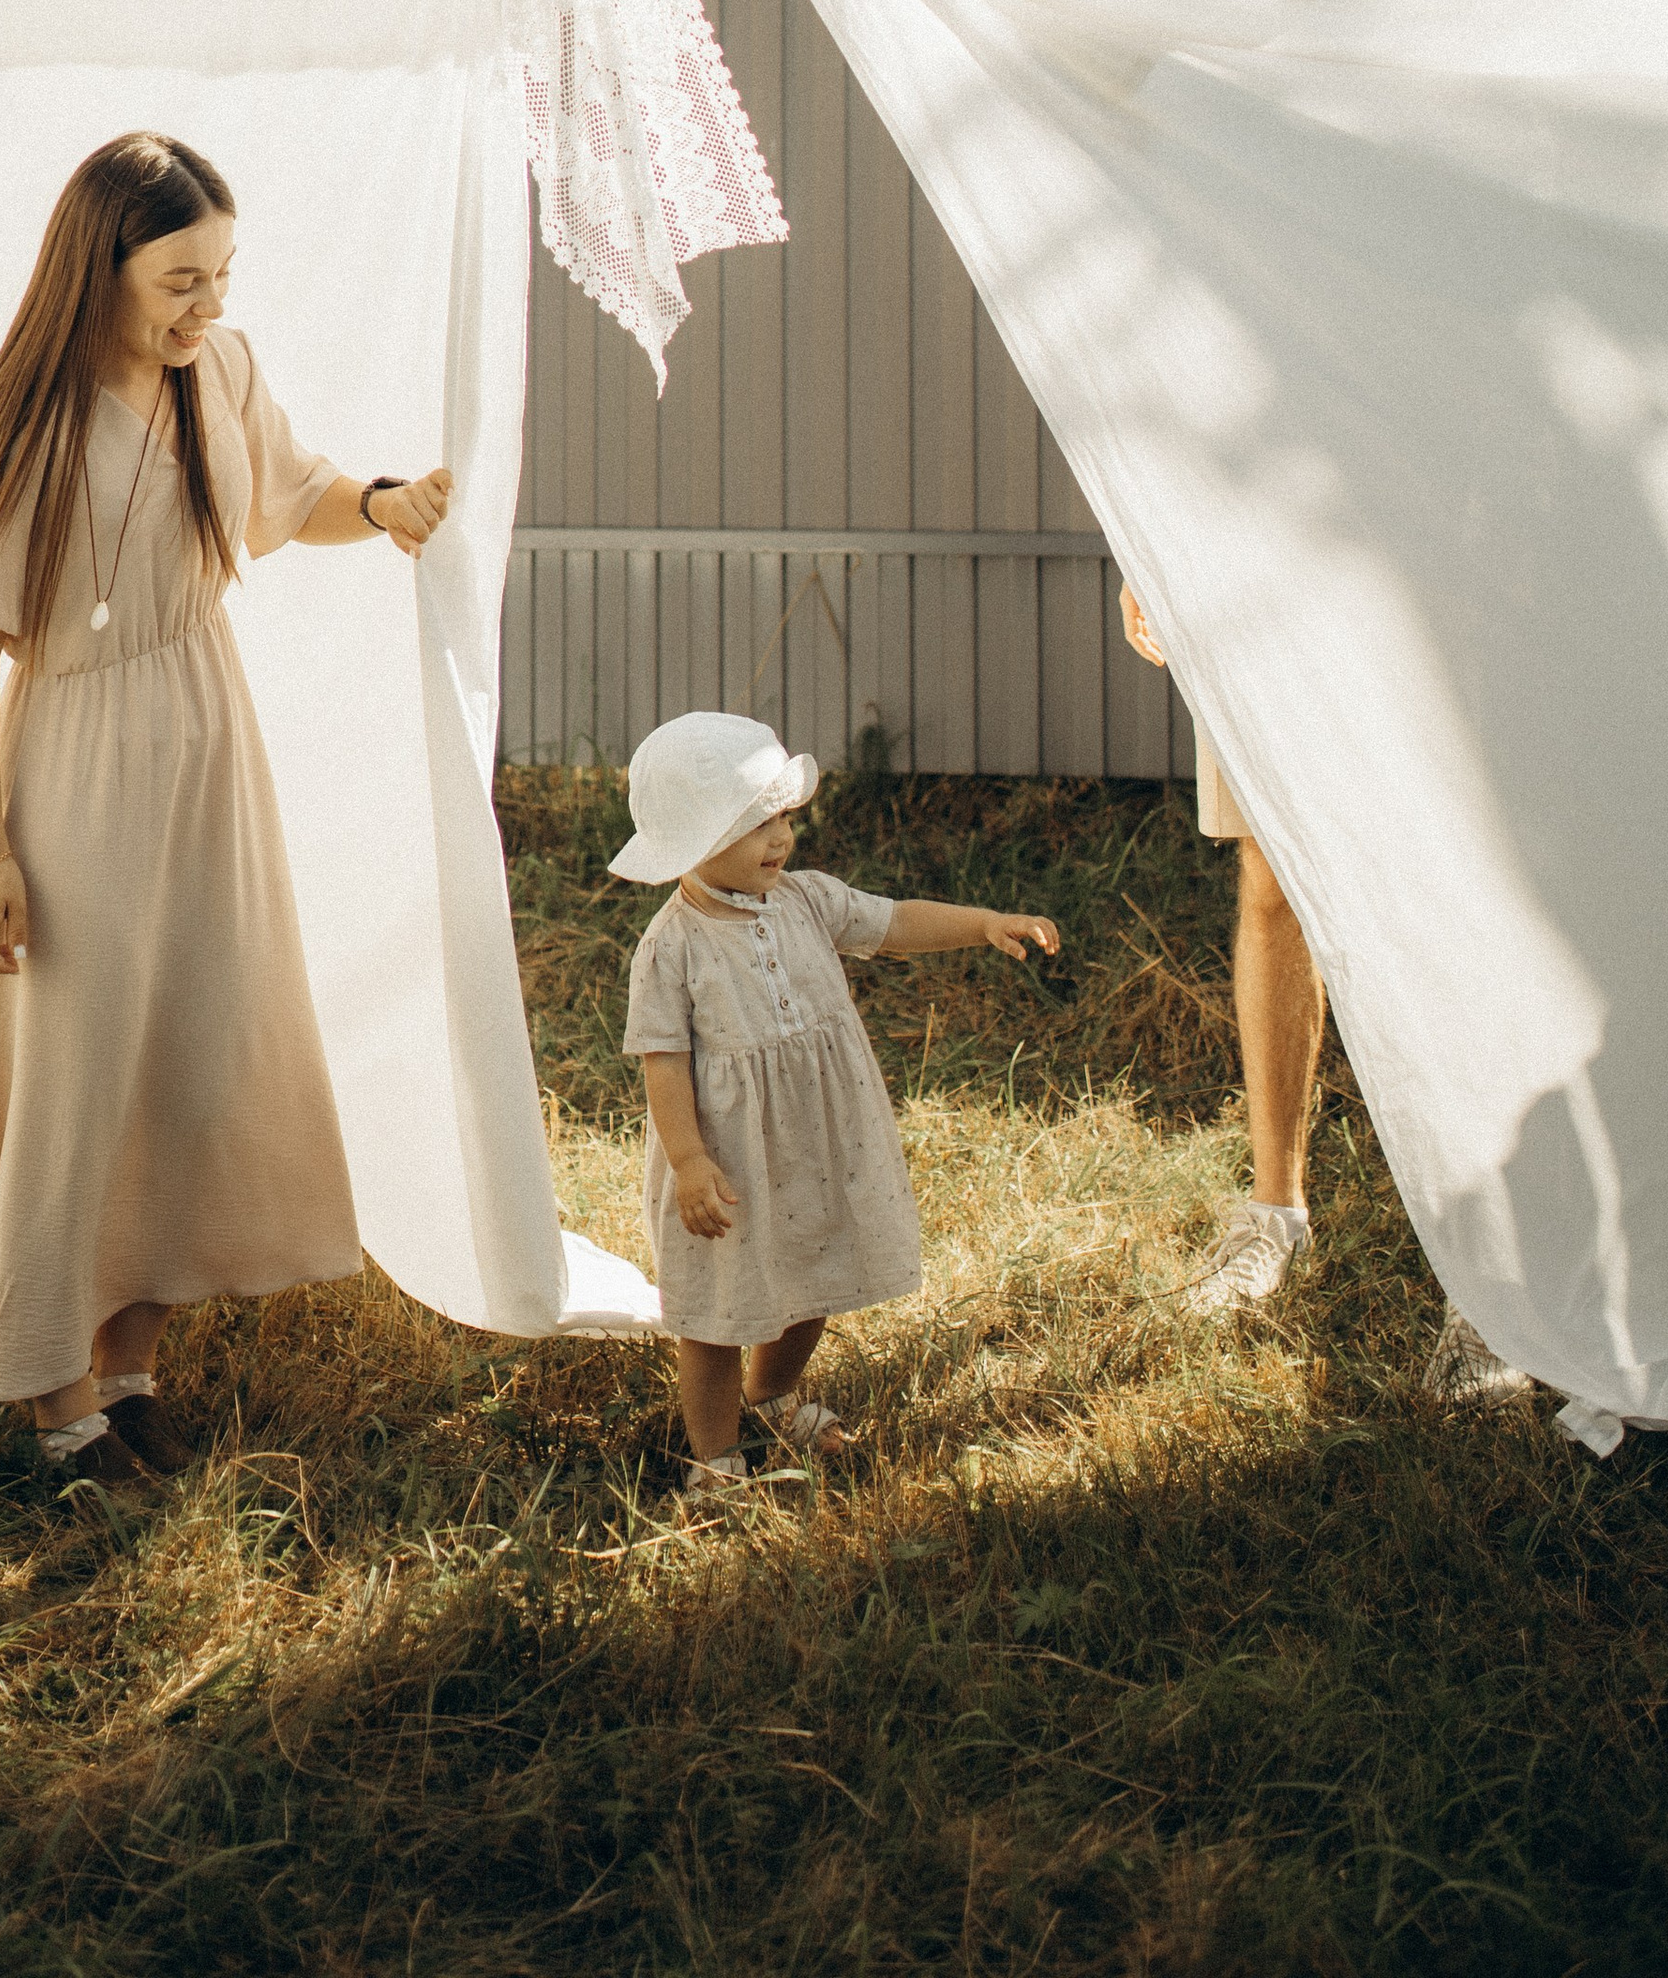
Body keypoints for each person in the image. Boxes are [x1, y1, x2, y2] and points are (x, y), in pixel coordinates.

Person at [0, 131, 452, 1490]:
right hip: (78, 763)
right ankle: (56, 1400)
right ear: (105, 266)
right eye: (184, 278)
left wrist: (383, 503)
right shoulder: (28, 424)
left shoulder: (221, 373)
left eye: (225, 273)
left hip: (207, 746)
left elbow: (289, 498)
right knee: (76, 1082)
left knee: (190, 1059)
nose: (212, 304)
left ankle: (128, 1368)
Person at [613, 711, 1062, 1494]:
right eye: (756, 824)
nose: (780, 838)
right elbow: (664, 1063)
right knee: (719, 1311)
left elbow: (894, 923)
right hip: (730, 1160)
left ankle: (773, 1394)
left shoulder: (808, 900)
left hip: (816, 1141)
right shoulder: (671, 945)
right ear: (693, 841)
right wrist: (688, 1159)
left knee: (814, 1268)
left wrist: (985, 924)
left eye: (783, 815)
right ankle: (716, 1456)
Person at [1118, 582, 1527, 1400]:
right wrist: (1140, 547)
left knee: (1450, 874)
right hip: (1254, 568)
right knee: (1271, 874)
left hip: (1425, 545)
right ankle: (1276, 1216)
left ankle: (1488, 1274)